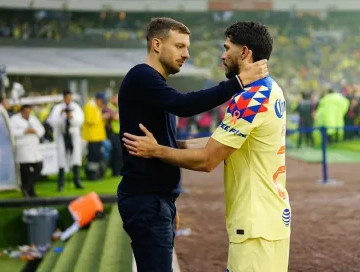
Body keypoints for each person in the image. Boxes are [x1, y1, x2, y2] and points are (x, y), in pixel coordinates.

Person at [123, 21, 289, 272]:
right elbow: (185, 106)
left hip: (254, 221)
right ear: (156, 45)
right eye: (179, 46)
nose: (187, 54)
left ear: (244, 52)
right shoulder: (271, 89)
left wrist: (159, 155)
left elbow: (208, 157)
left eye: (227, 48)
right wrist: (238, 82)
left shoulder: (251, 96)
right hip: (268, 217)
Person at [46, 90, 84, 191]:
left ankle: (77, 181)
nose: (68, 99)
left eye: (70, 97)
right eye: (67, 97)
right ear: (64, 97)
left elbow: (80, 120)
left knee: (75, 158)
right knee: (61, 159)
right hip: (62, 135)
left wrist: (71, 117)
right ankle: (60, 184)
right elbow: (52, 121)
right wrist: (62, 117)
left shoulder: (76, 107)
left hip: (73, 134)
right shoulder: (58, 108)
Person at [10, 104, 45, 197]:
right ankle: (29, 192)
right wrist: (24, 131)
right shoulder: (14, 120)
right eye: (25, 112)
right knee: (25, 171)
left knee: (39, 167)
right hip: (22, 148)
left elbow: (41, 130)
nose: (27, 114)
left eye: (29, 112)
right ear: (21, 112)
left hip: (34, 148)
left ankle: (27, 187)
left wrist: (35, 131)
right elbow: (11, 131)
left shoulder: (33, 119)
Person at [82, 92, 110, 180]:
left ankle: (96, 174)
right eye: (102, 102)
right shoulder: (89, 106)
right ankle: (91, 175)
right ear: (98, 100)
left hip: (97, 136)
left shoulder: (96, 107)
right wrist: (102, 117)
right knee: (93, 158)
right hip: (92, 137)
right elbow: (89, 120)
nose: (102, 104)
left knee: (97, 157)